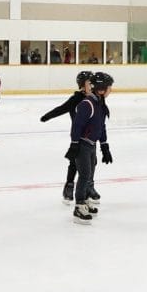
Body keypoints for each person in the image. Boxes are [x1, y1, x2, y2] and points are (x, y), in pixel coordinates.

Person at [42, 72, 96, 204]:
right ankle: (69, 187)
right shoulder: (76, 99)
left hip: (91, 136)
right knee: (74, 162)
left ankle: (89, 187)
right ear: (82, 85)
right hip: (78, 137)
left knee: (92, 162)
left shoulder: (95, 98)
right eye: (89, 83)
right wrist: (47, 116)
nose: (92, 86)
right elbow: (62, 109)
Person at [68, 73, 115, 224]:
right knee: (84, 175)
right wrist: (74, 144)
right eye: (109, 87)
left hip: (91, 145)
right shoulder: (87, 104)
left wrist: (104, 146)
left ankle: (85, 200)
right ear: (101, 89)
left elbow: (101, 126)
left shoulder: (99, 104)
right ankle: (79, 207)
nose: (111, 90)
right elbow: (76, 126)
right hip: (82, 145)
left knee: (89, 175)